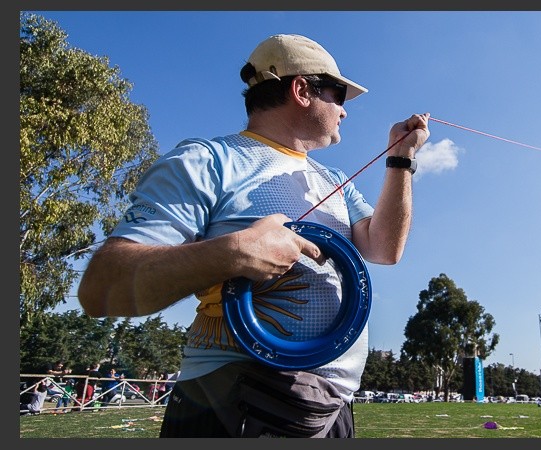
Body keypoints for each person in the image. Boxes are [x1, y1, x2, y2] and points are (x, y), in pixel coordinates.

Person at [77, 33, 429, 438]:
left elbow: (384, 250)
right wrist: (234, 252)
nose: (345, 111)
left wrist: (401, 159)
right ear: (301, 89)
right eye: (338, 94)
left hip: (335, 407)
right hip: (229, 403)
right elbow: (101, 287)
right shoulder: (206, 161)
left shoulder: (334, 179)